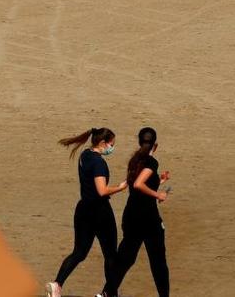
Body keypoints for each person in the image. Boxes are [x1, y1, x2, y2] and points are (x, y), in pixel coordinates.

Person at [46, 127, 127, 297]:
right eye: (112, 144)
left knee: (79, 252)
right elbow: (102, 190)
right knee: (111, 254)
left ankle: (57, 284)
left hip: (83, 210)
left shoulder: (85, 155)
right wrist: (120, 187)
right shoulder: (98, 163)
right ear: (103, 143)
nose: (112, 147)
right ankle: (110, 293)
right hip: (100, 212)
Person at [102, 127, 170, 297]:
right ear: (156, 145)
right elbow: (139, 184)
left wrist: (158, 181)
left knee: (125, 259)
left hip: (131, 216)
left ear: (139, 142)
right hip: (148, 219)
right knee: (158, 261)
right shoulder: (151, 162)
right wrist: (158, 194)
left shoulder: (135, 161)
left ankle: (107, 292)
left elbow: (138, 186)